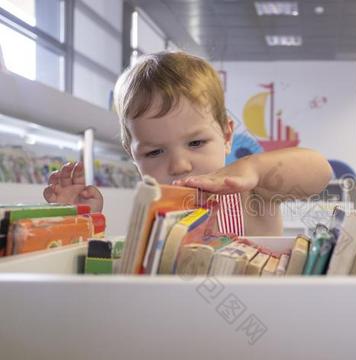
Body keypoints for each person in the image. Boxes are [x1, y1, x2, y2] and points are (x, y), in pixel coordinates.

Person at [43, 51, 332, 236]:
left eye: (196, 143)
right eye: (155, 151)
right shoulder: (151, 209)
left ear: (227, 136)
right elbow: (118, 275)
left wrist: (254, 169)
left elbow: (319, 172)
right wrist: (80, 221)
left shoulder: (252, 194)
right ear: (133, 156)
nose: (180, 165)